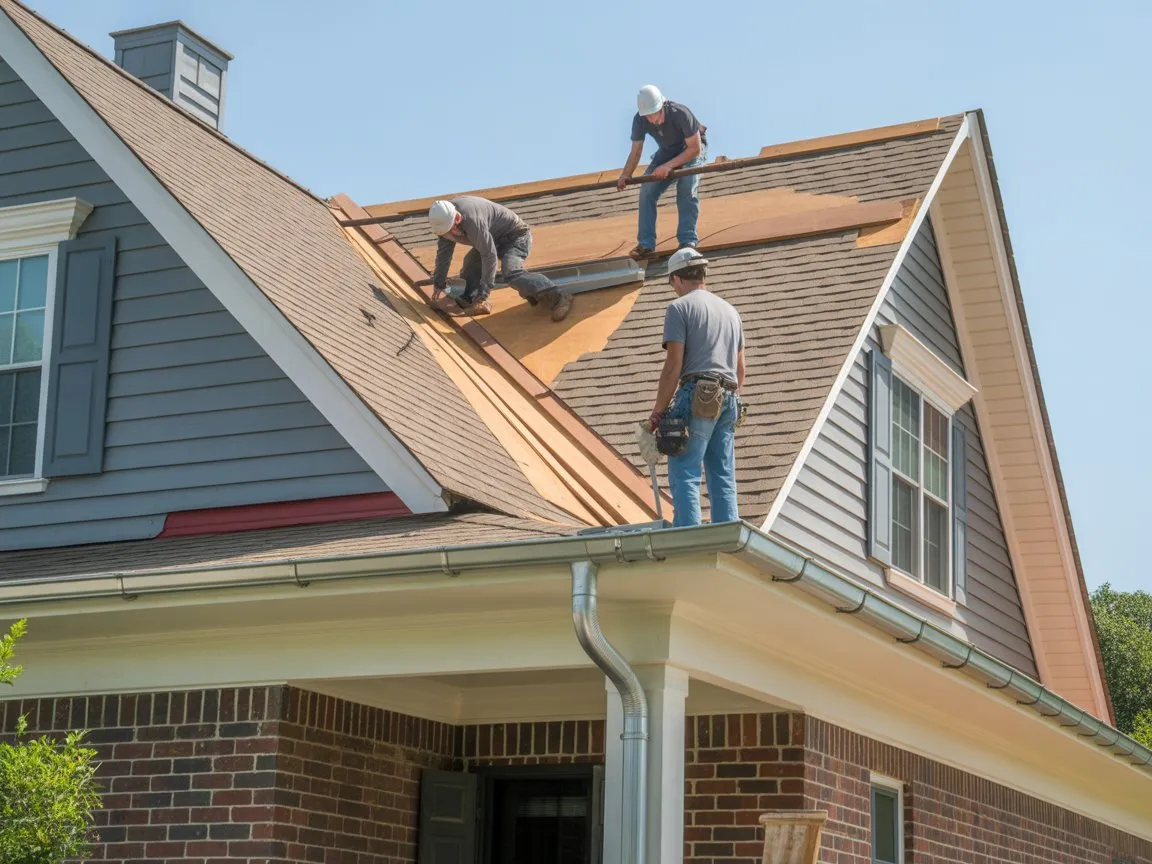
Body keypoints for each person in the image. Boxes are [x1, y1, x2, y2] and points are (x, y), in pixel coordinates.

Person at [646, 247, 744, 527]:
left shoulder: (680, 308)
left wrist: (657, 413)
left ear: (676, 279)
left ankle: (687, 539)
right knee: (722, 473)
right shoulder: (731, 312)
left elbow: (673, 366)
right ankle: (726, 535)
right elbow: (740, 371)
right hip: (728, 398)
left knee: (684, 470)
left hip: (697, 393)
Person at [427, 197, 573, 321]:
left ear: (457, 218)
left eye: (453, 228)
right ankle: (469, 298)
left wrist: (484, 297)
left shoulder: (472, 220)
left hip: (516, 237)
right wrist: (439, 284)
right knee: (470, 265)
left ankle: (559, 298)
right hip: (494, 239)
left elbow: (489, 255)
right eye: (447, 232)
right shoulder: (444, 224)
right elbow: (444, 255)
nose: (452, 233)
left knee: (511, 272)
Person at [616, 85, 708, 260]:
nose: (651, 118)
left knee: (687, 189)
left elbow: (695, 149)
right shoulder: (640, 119)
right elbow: (636, 151)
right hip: (667, 152)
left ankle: (687, 241)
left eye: (654, 113)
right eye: (647, 115)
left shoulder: (680, 113)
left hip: (689, 151)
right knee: (647, 191)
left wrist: (669, 166)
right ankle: (646, 244)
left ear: (662, 105)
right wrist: (625, 175)